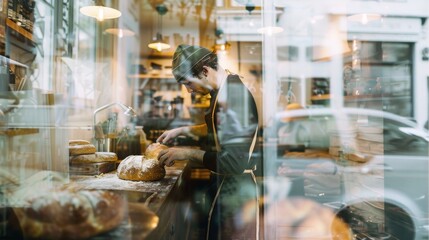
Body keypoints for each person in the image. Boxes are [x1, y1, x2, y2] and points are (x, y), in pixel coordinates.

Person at [156, 44, 260, 239]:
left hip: (237, 193)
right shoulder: (222, 92)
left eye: (188, 83)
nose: (188, 91)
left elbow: (234, 163)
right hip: (225, 186)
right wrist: (182, 130)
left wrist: (185, 153)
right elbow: (219, 130)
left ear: (204, 71)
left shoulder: (234, 96)